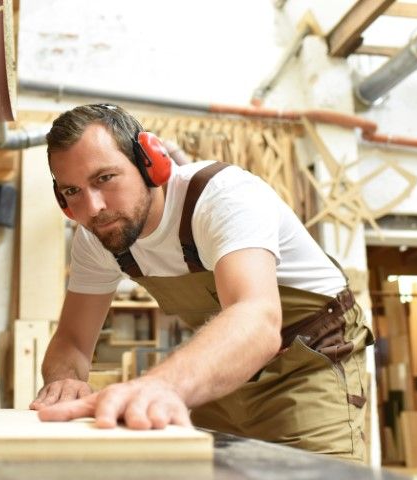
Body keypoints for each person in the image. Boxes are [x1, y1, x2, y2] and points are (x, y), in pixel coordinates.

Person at [29, 103, 374, 462]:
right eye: (72, 192)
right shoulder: (98, 238)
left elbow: (256, 319)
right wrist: (63, 382)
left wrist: (159, 385)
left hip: (310, 364)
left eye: (104, 179)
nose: (94, 206)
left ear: (151, 163)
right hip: (225, 369)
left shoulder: (222, 197)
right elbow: (72, 341)